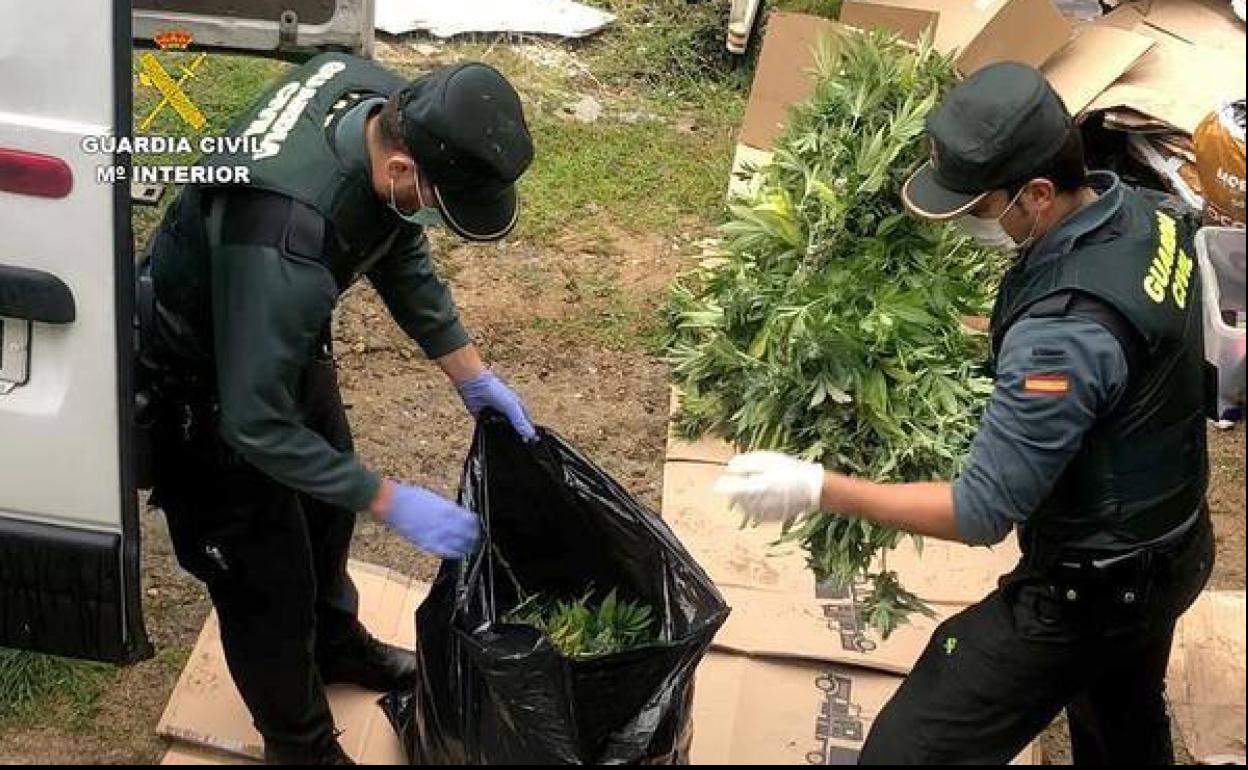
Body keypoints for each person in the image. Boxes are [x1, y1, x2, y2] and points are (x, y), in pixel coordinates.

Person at [714, 62, 1214, 764]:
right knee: (1119, 714)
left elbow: (981, 511)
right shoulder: (1135, 210)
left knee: (908, 752)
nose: (970, 225)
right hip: (1174, 537)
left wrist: (818, 487)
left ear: (1037, 194)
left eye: (979, 208)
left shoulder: (1062, 338)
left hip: (1094, 588)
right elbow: (1122, 360)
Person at [137, 54, 537, 764]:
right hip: (200, 383)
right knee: (264, 576)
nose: (439, 219)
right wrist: (390, 500)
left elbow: (397, 246)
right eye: (442, 202)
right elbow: (255, 424)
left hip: (275, 338)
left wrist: (471, 376)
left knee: (325, 512)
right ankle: (302, 746)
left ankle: (334, 644)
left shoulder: (380, 102)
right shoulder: (286, 237)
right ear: (402, 169)